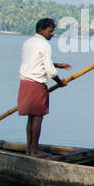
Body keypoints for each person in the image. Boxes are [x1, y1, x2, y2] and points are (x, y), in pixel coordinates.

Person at [17, 17, 71, 157]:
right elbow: (50, 71)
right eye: (50, 31)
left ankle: (29, 150)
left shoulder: (28, 42)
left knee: (31, 118)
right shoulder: (44, 45)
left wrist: (59, 65)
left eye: (53, 31)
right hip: (36, 83)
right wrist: (60, 82)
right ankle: (34, 151)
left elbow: (36, 61)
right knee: (38, 117)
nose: (52, 34)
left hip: (25, 82)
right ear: (41, 30)